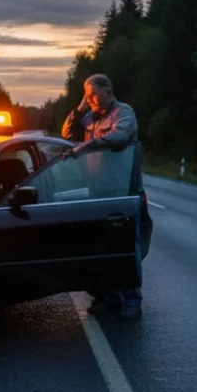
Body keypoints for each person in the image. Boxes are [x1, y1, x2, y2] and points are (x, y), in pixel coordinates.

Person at [61, 73, 143, 320]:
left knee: (125, 245)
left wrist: (87, 145)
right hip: (97, 192)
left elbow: (119, 137)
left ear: (108, 90)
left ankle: (132, 300)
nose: (91, 99)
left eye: (94, 94)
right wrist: (80, 107)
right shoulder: (88, 117)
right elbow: (66, 134)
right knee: (100, 246)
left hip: (122, 192)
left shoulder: (124, 113)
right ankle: (108, 296)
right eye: (87, 95)